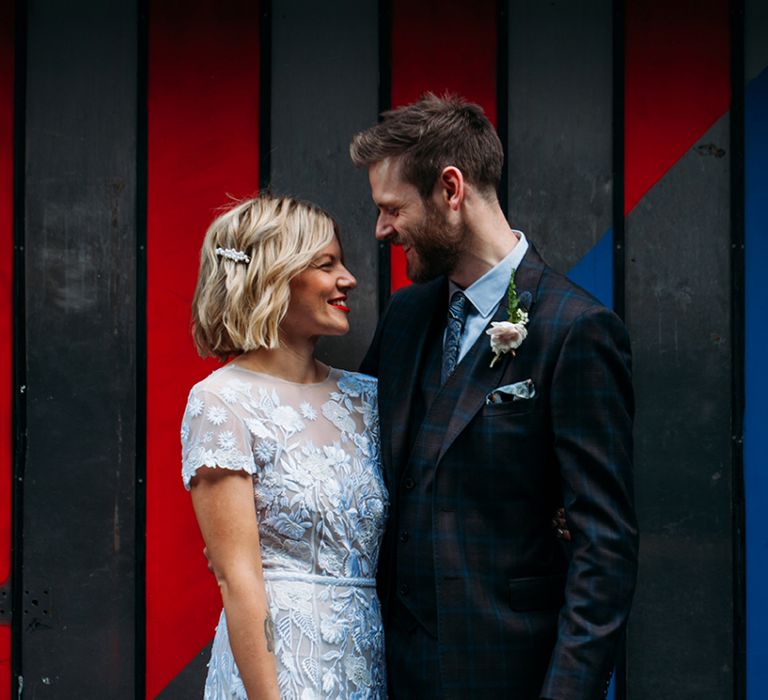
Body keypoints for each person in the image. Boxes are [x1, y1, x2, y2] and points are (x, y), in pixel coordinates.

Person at [350, 93, 638, 700]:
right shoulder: (404, 317)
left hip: (507, 673)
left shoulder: (574, 329)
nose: (381, 229)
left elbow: (604, 548)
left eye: (391, 208)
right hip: (387, 674)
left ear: (451, 190)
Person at [180, 195, 388, 699]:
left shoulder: (368, 397)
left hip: (366, 663)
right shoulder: (221, 401)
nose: (349, 279)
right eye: (326, 264)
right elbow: (238, 579)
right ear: (274, 278)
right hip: (277, 673)